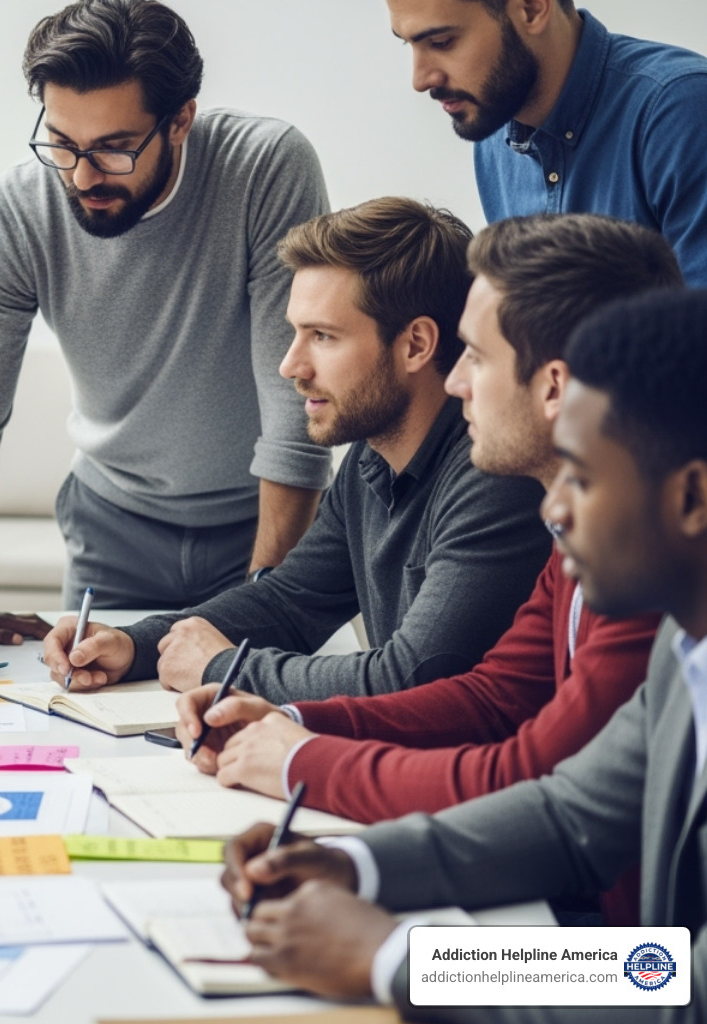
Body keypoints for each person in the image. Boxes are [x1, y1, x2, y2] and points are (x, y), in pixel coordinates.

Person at [176, 212, 680, 924]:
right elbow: (504, 714)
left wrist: (398, 961)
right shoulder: (590, 540)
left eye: (474, 355)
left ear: (554, 386)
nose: (455, 381)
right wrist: (298, 741)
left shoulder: (648, 575)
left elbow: (653, 975)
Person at [221, 289, 707, 1022]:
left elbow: (670, 988)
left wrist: (395, 956)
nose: (553, 511)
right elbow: (569, 816)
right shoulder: (683, 648)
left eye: (582, 478)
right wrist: (352, 865)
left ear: (692, 497)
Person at [0, 0, 334, 665]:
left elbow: (295, 407)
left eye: (115, 148)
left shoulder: (264, 169)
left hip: (262, 521)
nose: (82, 176)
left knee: (243, 704)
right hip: (112, 530)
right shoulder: (15, 214)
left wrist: (267, 601)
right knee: (90, 706)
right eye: (62, 143)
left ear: (180, 121)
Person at [43, 197, 552, 699]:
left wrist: (222, 669)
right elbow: (289, 602)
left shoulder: (495, 476)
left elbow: (413, 678)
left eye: (323, 336)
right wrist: (135, 644)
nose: (290, 366)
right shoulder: (372, 457)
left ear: (416, 344)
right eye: (296, 333)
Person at [387, 0, 707, 285]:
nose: (420, 80)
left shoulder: (679, 110)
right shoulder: (495, 128)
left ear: (531, 8)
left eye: (441, 42)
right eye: (407, 44)